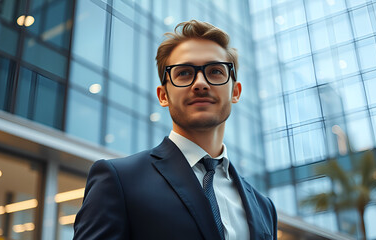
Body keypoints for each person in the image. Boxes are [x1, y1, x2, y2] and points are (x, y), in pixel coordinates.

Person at [73, 20, 277, 240]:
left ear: (235, 92)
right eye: (184, 73)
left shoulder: (264, 207)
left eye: (216, 71)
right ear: (163, 95)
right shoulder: (119, 180)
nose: (200, 83)